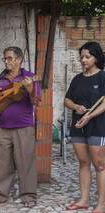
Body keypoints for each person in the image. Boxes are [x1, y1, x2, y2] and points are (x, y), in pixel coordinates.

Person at [0, 46, 40, 208]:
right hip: (3, 126)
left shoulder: (29, 77)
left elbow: (36, 100)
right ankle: (0, 195)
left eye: (9, 58)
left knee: (26, 162)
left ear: (19, 60)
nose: (6, 61)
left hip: (24, 126)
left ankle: (28, 195)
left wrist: (30, 87)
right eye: (4, 58)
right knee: (3, 163)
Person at [64, 41, 105, 213]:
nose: (83, 60)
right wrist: (76, 107)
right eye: (81, 57)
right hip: (78, 125)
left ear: (96, 58)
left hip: (98, 126)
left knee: (100, 165)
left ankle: (101, 204)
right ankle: (84, 200)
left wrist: (89, 115)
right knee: (83, 162)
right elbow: (67, 100)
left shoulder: (103, 76)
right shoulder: (77, 79)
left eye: (87, 57)